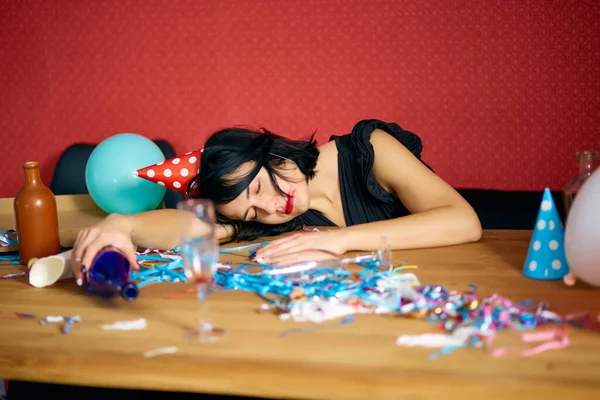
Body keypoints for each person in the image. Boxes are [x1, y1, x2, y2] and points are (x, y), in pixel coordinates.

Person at [71, 119, 482, 285]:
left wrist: (342, 240)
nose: (271, 208)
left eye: (256, 190)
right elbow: (194, 228)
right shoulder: (274, 218)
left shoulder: (369, 149)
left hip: (463, 282)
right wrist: (119, 225)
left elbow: (464, 222)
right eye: (252, 212)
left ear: (271, 153)